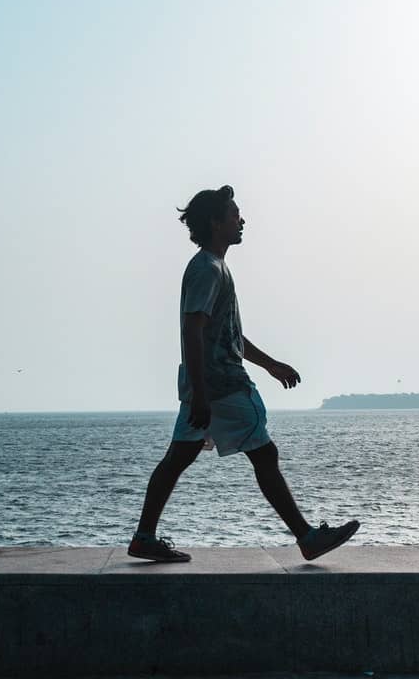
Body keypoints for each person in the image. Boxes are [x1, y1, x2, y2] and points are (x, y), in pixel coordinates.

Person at [128, 185, 360, 563]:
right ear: (217, 223)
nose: (242, 220)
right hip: (222, 387)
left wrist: (269, 364)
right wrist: (203, 394)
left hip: (206, 386)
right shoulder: (207, 269)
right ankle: (306, 537)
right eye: (235, 215)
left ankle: (143, 538)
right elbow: (193, 330)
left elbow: (227, 333)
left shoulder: (214, 267)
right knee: (264, 454)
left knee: (178, 458)